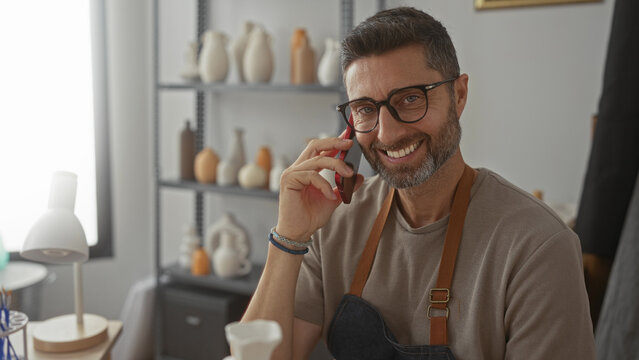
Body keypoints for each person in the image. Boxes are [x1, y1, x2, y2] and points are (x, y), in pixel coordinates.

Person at [242, 7, 595, 360]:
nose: (387, 133)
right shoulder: (334, 223)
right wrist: (288, 236)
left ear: (458, 95)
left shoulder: (538, 248)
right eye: (365, 108)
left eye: (411, 99)